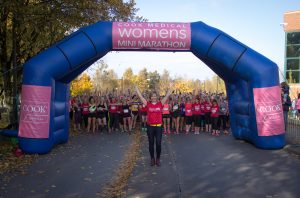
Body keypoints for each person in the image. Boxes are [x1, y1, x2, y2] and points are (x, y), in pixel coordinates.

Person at [135, 85, 172, 167]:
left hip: (158, 127)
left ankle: (158, 159)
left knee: (158, 143)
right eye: (152, 96)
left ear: (157, 97)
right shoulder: (148, 104)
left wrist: (170, 88)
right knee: (151, 143)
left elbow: (167, 95)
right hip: (150, 127)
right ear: (150, 97)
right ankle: (152, 158)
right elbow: (141, 97)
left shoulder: (160, 103)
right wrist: (137, 90)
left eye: (155, 96)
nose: (154, 97)